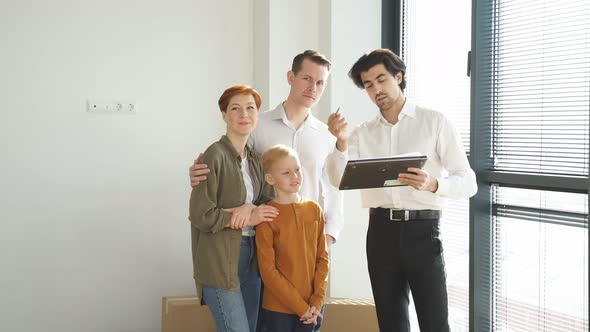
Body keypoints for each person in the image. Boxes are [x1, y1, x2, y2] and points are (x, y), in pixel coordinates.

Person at [326, 48, 478, 332]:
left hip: (424, 233)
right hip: (381, 233)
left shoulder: (434, 122)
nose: (376, 89)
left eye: (381, 79)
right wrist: (341, 143)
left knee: (435, 324)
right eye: (368, 85)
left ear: (399, 76)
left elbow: (468, 182)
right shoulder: (361, 133)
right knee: (391, 324)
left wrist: (434, 184)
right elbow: (337, 179)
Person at [189, 50, 344, 247]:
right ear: (291, 77)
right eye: (307, 78)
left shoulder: (327, 134)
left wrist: (330, 234)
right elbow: (232, 168)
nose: (313, 88)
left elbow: (335, 189)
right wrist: (202, 174)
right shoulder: (257, 125)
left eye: (320, 82)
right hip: (263, 236)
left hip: (307, 238)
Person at [189, 84, 279, 332]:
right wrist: (242, 216)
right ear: (224, 115)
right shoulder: (213, 156)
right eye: (235, 108)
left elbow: (267, 204)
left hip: (253, 257)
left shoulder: (255, 159)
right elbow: (200, 215)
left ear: (257, 115)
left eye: (250, 108)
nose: (244, 114)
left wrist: (249, 208)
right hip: (220, 259)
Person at [256, 145, 329, 332]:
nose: (295, 176)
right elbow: (268, 271)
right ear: (270, 178)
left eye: (297, 170)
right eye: (287, 172)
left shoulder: (314, 210)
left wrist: (317, 301)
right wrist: (301, 307)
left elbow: (323, 259)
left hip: (313, 308)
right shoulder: (267, 216)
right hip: (278, 310)